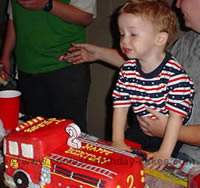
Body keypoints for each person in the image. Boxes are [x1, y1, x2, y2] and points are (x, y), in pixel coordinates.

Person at [61, 0, 200, 163]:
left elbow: (176, 115)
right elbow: (122, 102)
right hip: (140, 126)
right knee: (120, 162)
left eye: (132, 34)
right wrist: (117, 140)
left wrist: (165, 147)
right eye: (122, 34)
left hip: (172, 139)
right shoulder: (188, 43)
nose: (124, 41)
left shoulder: (176, 74)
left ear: (160, 38)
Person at [0, 0, 96, 133]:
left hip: (66, 66)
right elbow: (13, 17)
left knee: (70, 134)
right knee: (37, 132)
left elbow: (85, 17)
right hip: (27, 66)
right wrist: (5, 55)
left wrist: (47, 4)